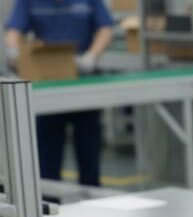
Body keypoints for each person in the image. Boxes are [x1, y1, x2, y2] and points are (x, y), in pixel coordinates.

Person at [4, 0, 114, 187]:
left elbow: (105, 29)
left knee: (89, 154)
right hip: (47, 87)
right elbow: (13, 30)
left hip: (83, 83)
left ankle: (91, 198)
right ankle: (50, 202)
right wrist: (15, 52)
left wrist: (91, 57)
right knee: (47, 160)